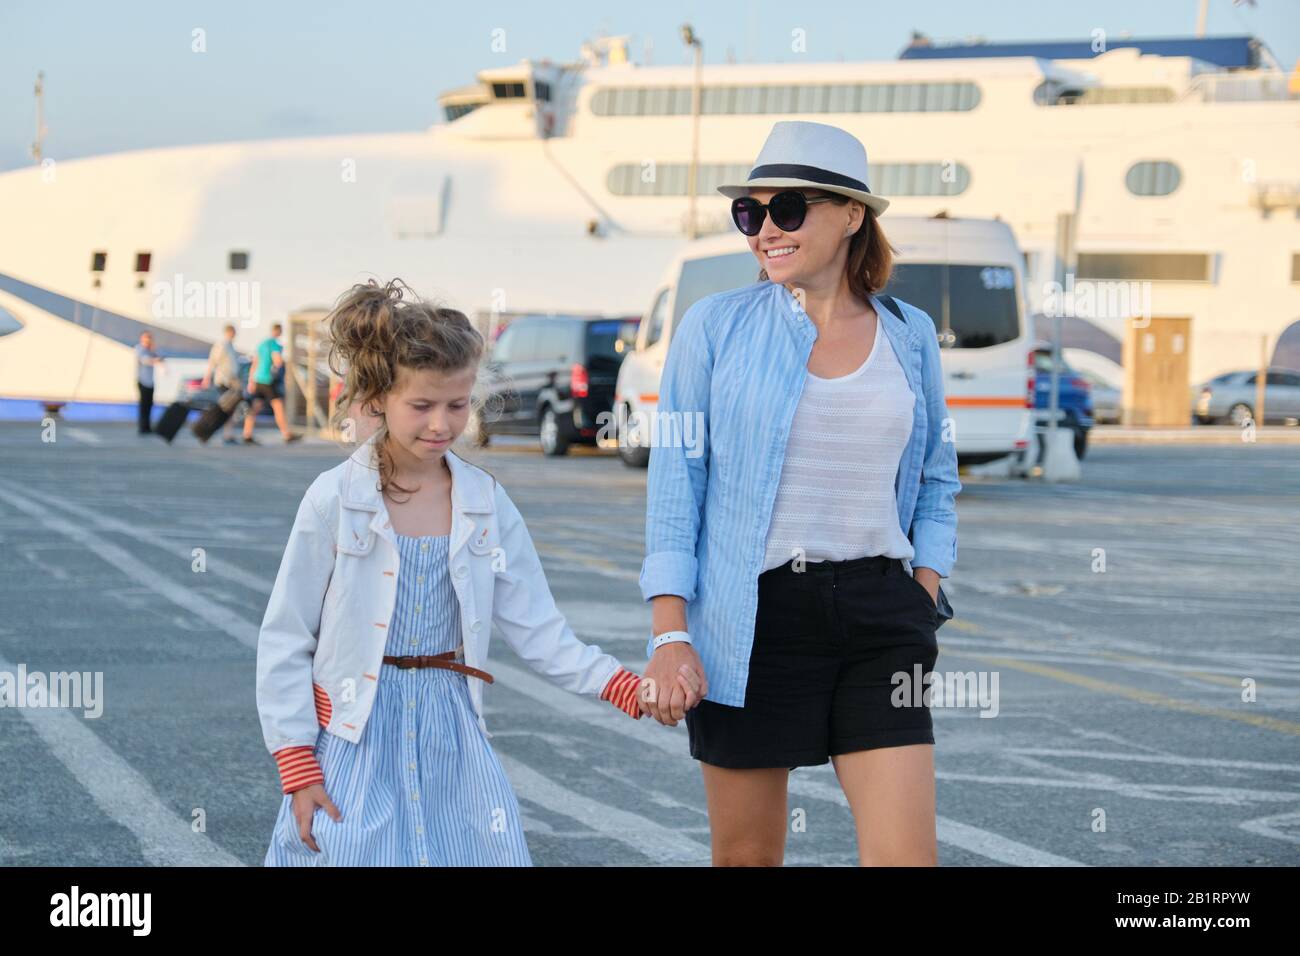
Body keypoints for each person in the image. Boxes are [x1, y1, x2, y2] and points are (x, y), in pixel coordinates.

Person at [256, 278, 675, 866]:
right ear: (378, 398)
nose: (441, 424)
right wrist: (297, 764)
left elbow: (538, 628)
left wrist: (622, 686)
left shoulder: (485, 502)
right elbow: (286, 636)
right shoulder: (334, 499)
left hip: (451, 735)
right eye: (421, 406)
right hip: (353, 737)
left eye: (457, 405)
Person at [639, 120, 961, 866]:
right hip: (752, 618)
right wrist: (670, 633)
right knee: (749, 857)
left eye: (788, 210)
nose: (765, 231)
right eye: (751, 213)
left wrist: (925, 587)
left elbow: (937, 478)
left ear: (852, 215)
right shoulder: (712, 328)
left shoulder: (910, 334)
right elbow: (675, 486)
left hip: (884, 620)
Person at [242, 322, 300, 444]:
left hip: (258, 380)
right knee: (278, 407)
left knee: (254, 408)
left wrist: (250, 381)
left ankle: (247, 434)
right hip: (268, 380)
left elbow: (255, 363)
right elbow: (277, 361)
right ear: (279, 332)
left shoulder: (262, 344)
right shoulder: (275, 344)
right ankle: (286, 434)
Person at [201, 323, 242, 444]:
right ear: (229, 332)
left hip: (231, 382)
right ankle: (208, 430)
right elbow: (213, 362)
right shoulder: (221, 345)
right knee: (224, 409)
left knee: (230, 409)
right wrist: (207, 378)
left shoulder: (231, 346)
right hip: (223, 381)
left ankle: (227, 433)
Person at [134, 331, 163, 434]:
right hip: (143, 381)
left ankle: (147, 427)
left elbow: (160, 358)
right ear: (142, 339)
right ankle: (142, 427)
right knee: (143, 406)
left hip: (150, 382)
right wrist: (155, 360)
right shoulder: (140, 349)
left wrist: (154, 351)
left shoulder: (150, 350)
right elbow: (146, 360)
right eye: (146, 338)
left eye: (149, 339)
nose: (148, 341)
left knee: (150, 405)